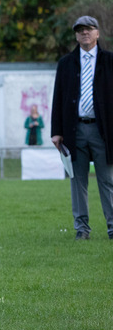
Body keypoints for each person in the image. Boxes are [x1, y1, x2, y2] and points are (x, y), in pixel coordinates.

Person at [51, 15, 113, 240]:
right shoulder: (66, 63)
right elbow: (58, 98)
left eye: (89, 29)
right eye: (80, 30)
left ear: (98, 33)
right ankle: (82, 229)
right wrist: (56, 131)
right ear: (76, 35)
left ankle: (112, 228)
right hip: (74, 131)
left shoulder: (109, 61)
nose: (84, 33)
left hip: (103, 131)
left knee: (107, 181)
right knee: (78, 182)